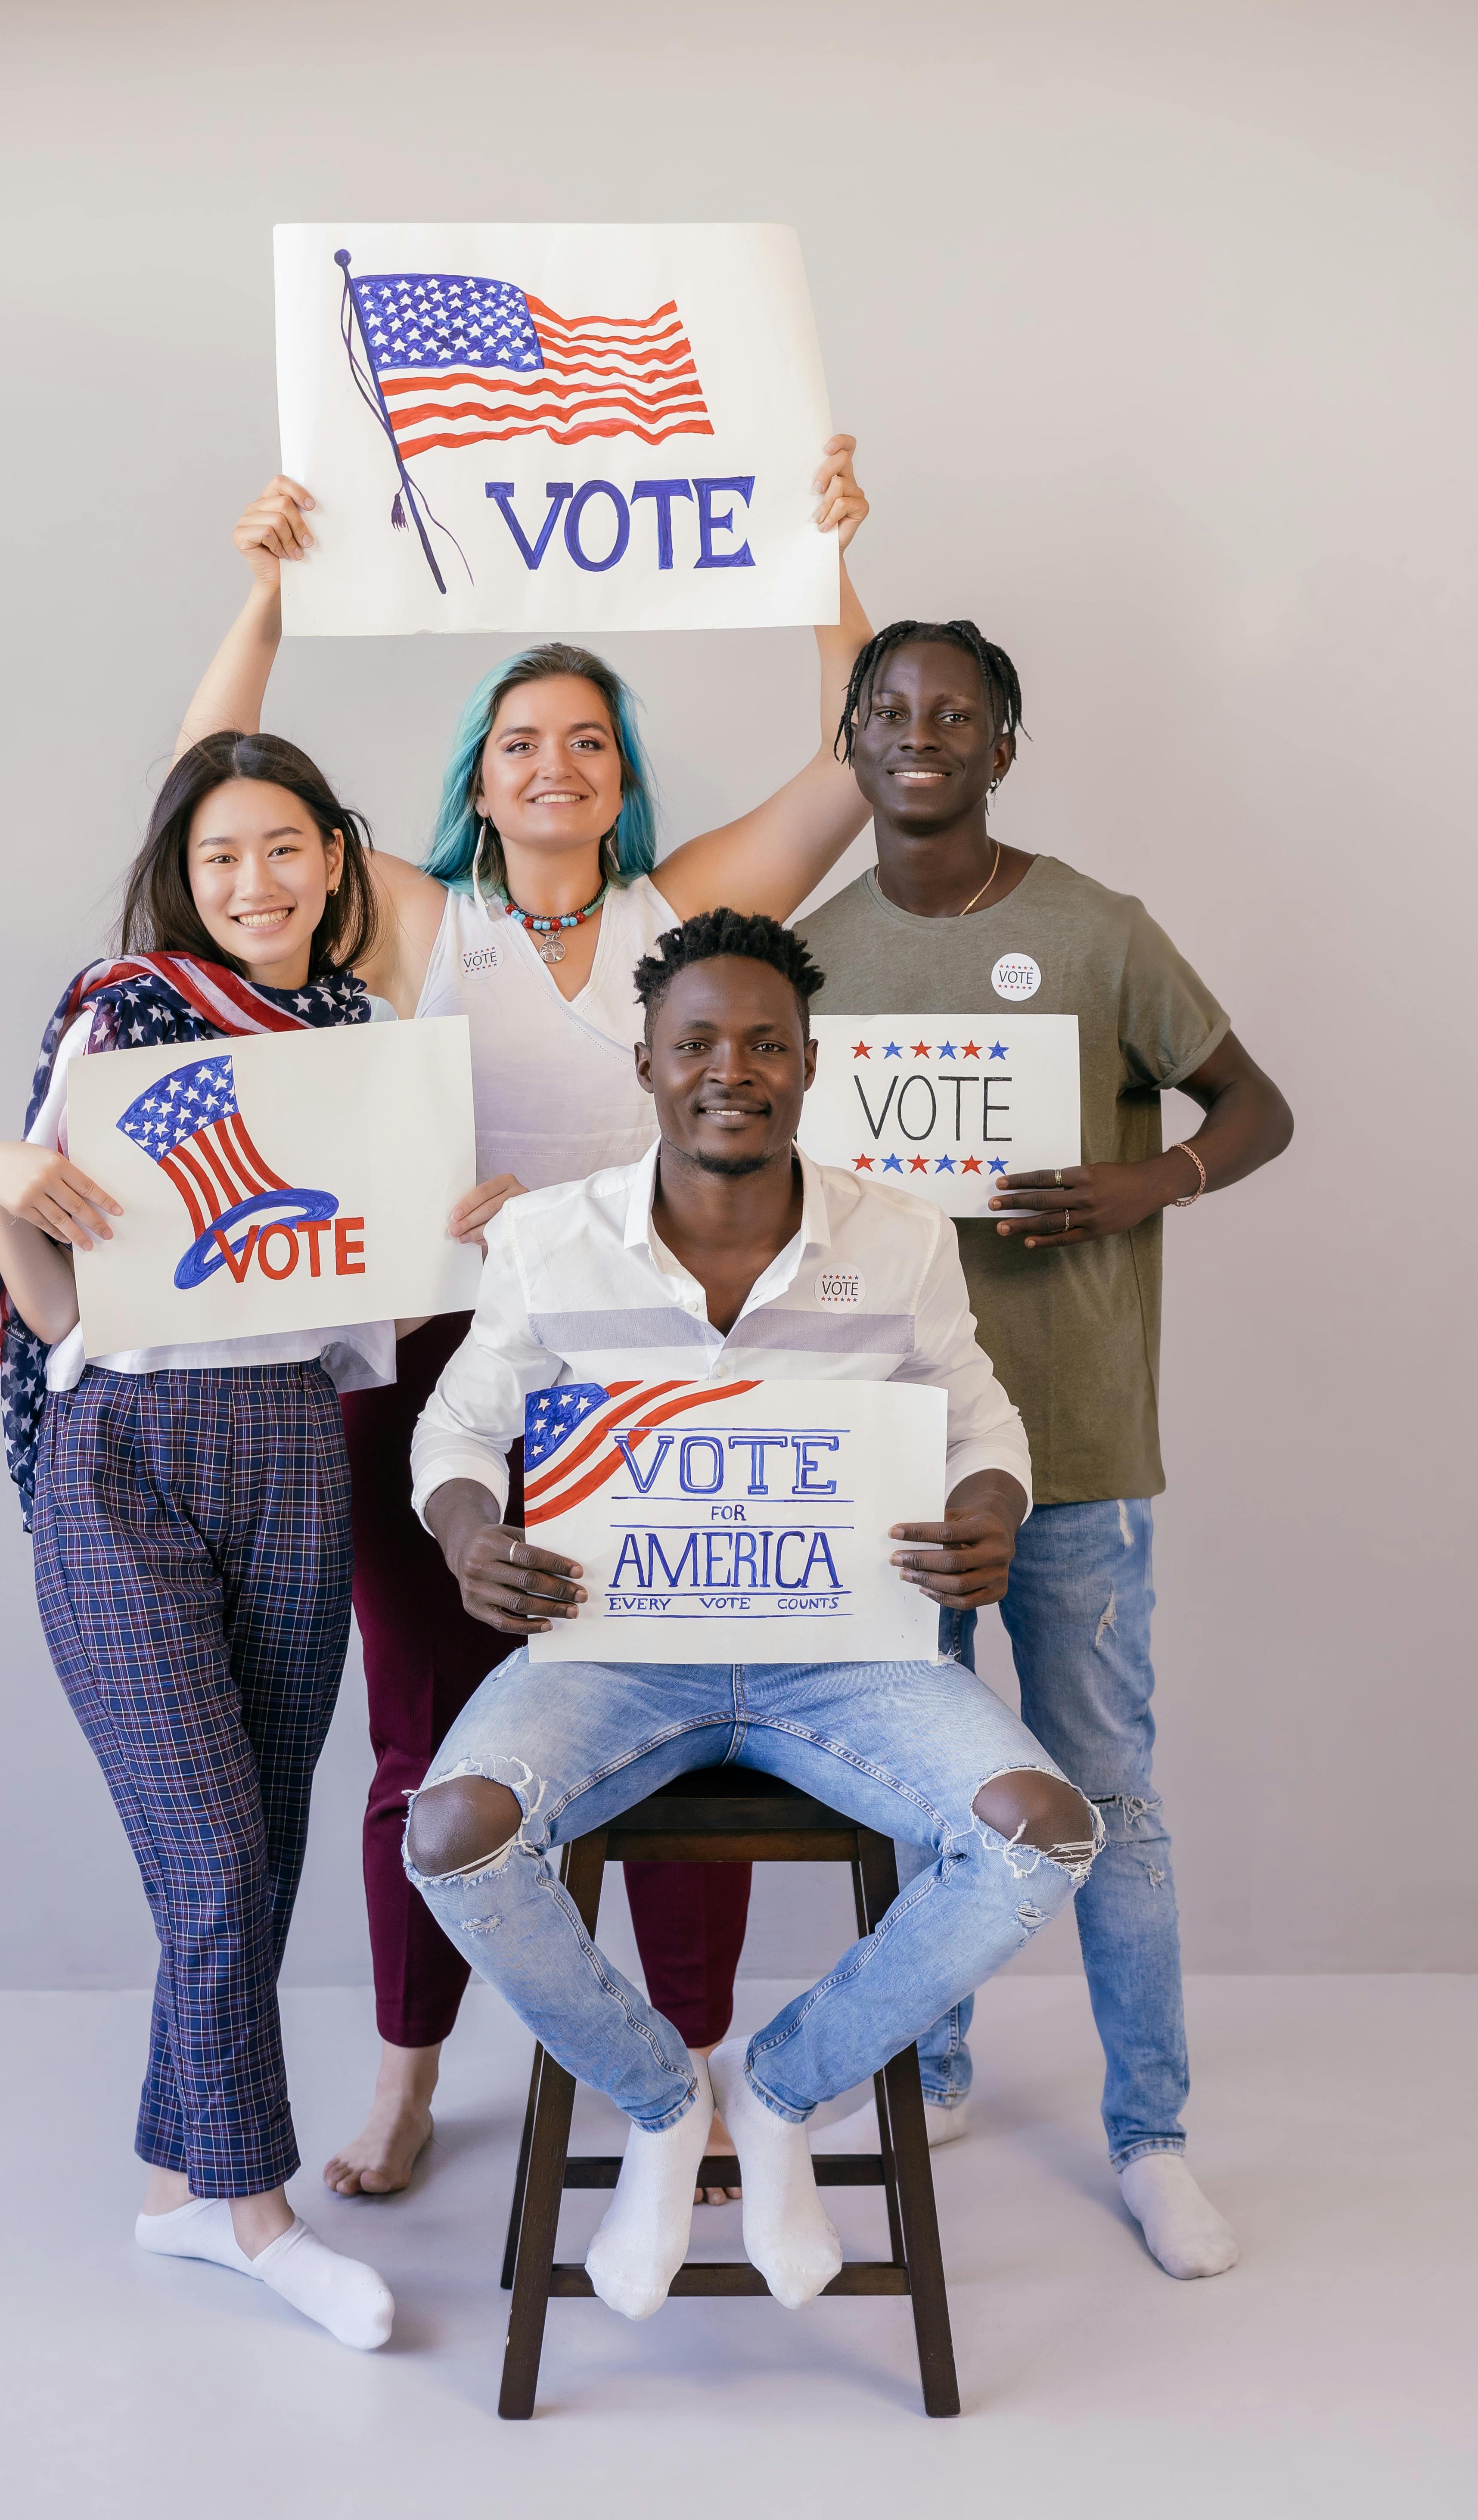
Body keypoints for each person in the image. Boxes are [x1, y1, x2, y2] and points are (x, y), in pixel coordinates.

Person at [173, 446, 877, 2203]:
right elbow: (211, 790)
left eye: (585, 736)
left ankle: (692, 2069)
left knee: (677, 1725)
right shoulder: (421, 914)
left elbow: (857, 768)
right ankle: (411, 2078)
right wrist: (264, 597)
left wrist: (827, 561)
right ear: (474, 786)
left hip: (651, 1378)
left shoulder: (687, 906)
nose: (553, 762)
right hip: (430, 1389)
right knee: (423, 1740)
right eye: (518, 740)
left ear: (620, 772)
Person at [402, 910, 1100, 2319]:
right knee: (452, 1834)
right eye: (699, 1044)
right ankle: (666, 2106)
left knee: (1043, 1832)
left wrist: (989, 1513)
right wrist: (472, 1534)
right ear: (650, 1068)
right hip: (616, 1650)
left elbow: (982, 1419)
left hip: (839, 1657)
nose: (735, 1068)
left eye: (767, 1043)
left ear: (810, 1063)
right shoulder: (547, 1242)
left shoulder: (897, 1238)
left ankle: (780, 2091)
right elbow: (456, 1436)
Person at [794, 620, 1295, 2279]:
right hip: (889, 1454)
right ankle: (926, 2071)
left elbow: (1254, 1106)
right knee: (922, 1796)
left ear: (1001, 748)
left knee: (1105, 1797)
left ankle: (1150, 2139)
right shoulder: (805, 952)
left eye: (954, 714)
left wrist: (1155, 1180)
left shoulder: (1094, 930)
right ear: (852, 744)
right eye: (887, 710)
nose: (918, 733)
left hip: (1074, 1444)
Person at [0, 733, 408, 2350]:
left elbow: (372, 1295)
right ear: (185, 871)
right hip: (125, 1458)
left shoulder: (366, 1039)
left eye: (284, 849)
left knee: (262, 1843)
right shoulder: (127, 1011)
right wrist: (2, 1175)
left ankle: (173, 2193)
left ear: (336, 860)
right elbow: (52, 1299)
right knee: (212, 1857)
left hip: (294, 1440)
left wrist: (461, 1218)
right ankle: (254, 2211)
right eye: (222, 856)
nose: (254, 885)